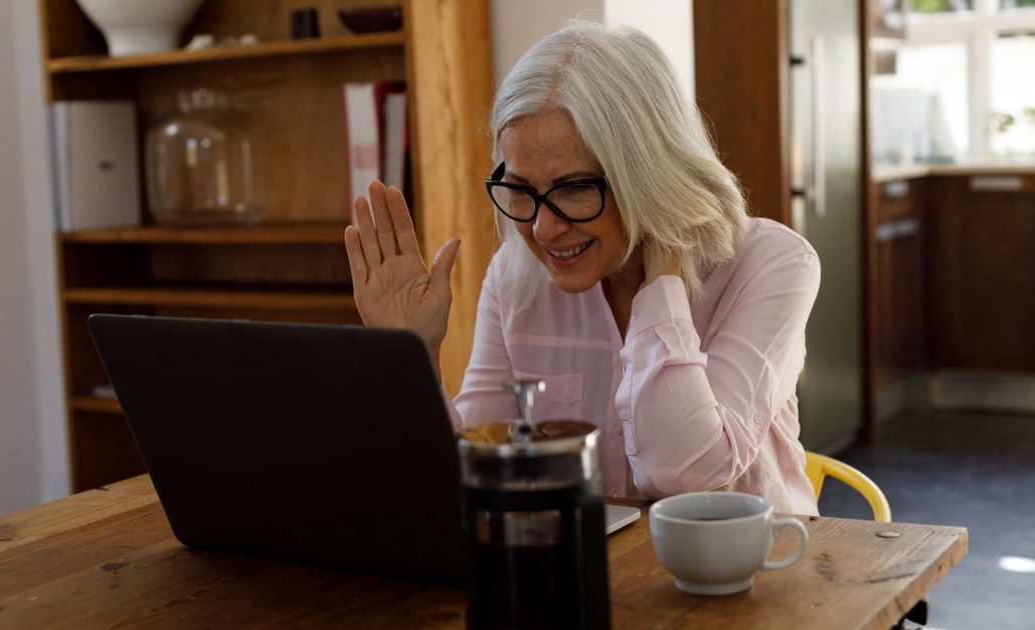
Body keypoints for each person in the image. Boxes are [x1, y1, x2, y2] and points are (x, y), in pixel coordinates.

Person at [343, 21, 820, 514]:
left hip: (764, 571)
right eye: (522, 190)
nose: (544, 230)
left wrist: (664, 276)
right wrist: (413, 355)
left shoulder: (772, 265)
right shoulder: (514, 276)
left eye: (574, 188)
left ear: (650, 175)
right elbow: (476, 480)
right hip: (588, 567)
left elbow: (686, 475)